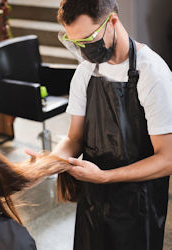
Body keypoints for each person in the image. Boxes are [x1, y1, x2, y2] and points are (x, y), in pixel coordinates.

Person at [32, 0, 172, 249]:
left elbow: (167, 159)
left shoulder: (152, 73)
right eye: (76, 43)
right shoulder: (86, 71)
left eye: (88, 40)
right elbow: (74, 138)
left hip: (138, 206)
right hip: (93, 201)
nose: (84, 50)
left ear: (113, 22)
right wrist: (49, 164)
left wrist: (106, 177)